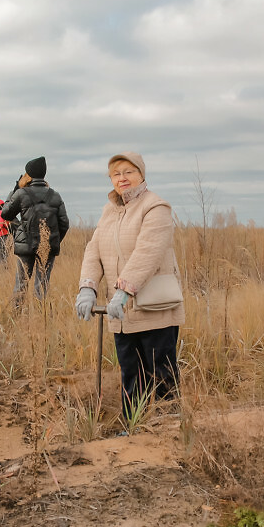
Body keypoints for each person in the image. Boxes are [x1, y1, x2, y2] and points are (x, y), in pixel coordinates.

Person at [75, 152, 184, 418]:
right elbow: (94, 249)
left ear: (141, 174)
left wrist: (124, 291)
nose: (122, 178)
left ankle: (166, 429)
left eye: (128, 171)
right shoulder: (110, 210)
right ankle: (133, 427)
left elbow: (148, 252)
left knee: (160, 372)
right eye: (116, 173)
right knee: (130, 372)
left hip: (153, 309)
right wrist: (87, 287)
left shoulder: (156, 207)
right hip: (120, 313)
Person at [0, 156, 70, 305]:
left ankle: (16, 319)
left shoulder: (21, 193)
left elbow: (5, 214)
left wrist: (15, 190)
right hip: (48, 247)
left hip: (25, 248)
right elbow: (64, 224)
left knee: (21, 286)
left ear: (28, 175)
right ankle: (42, 320)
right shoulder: (55, 195)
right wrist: (51, 240)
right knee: (42, 287)